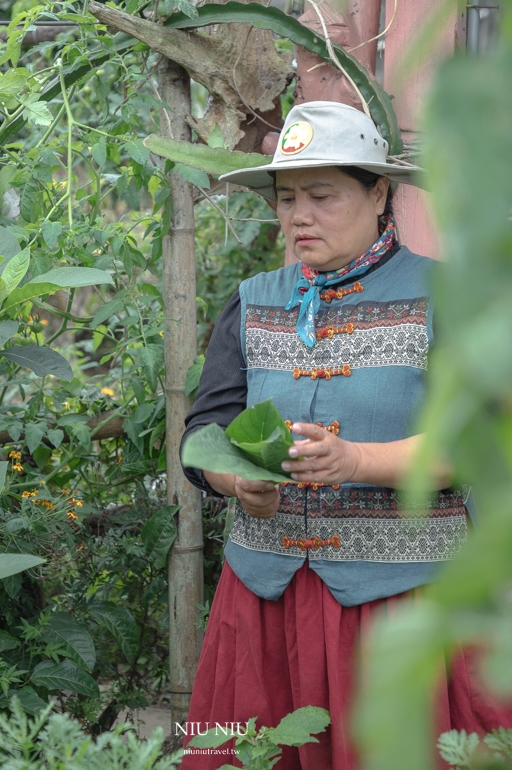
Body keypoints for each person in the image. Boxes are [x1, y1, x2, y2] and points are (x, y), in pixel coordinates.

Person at [179, 101, 512, 770]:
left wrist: (357, 458)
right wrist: (235, 479)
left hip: (400, 599)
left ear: (379, 193)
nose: (299, 215)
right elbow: (205, 433)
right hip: (264, 598)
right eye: (287, 198)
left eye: (322, 196)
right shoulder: (253, 301)